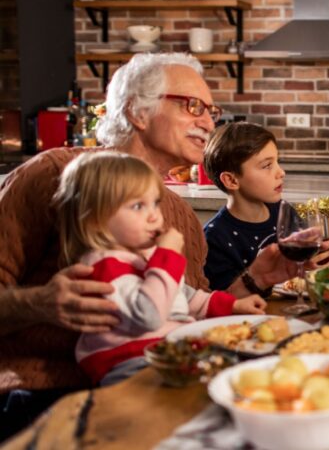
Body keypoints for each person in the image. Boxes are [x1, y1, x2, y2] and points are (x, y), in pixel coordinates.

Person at [0, 53, 297, 440]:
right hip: (48, 396)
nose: (209, 123)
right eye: (193, 106)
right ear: (138, 112)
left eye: (212, 112)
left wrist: (255, 278)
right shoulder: (56, 174)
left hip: (162, 383)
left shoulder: (180, 216)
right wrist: (39, 302)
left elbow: (179, 310)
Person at [54, 152, 268, 386]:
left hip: (171, 351)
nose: (155, 216)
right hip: (131, 363)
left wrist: (232, 306)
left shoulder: (143, 257)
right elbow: (149, 316)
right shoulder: (103, 267)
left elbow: (184, 297)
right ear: (96, 220)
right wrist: (167, 257)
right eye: (138, 206)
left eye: (155, 203)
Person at [202, 122, 329, 292]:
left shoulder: (283, 211)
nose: (281, 172)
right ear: (231, 180)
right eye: (267, 166)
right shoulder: (214, 238)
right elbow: (225, 298)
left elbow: (309, 256)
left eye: (277, 161)